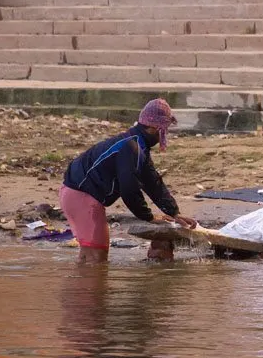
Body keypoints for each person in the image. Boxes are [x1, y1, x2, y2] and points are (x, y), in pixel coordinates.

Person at [59, 99, 196, 264]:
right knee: (96, 257)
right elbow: (129, 189)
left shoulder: (137, 145)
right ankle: (89, 289)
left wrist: (174, 212)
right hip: (82, 197)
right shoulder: (131, 147)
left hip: (75, 194)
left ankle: (83, 288)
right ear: (154, 128)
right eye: (164, 130)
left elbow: (152, 182)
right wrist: (149, 216)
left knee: (90, 256)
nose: (163, 137)